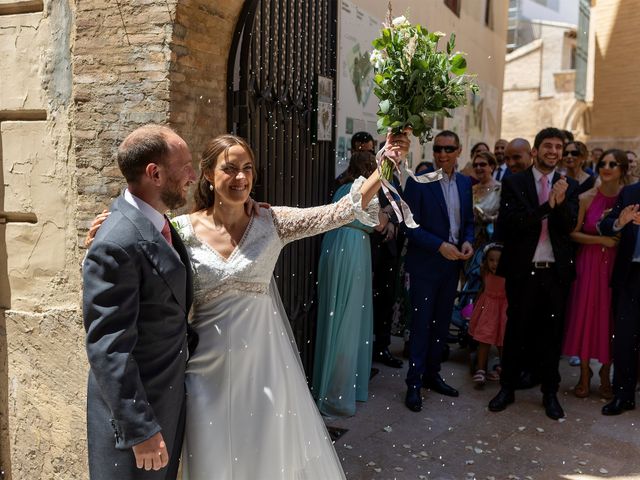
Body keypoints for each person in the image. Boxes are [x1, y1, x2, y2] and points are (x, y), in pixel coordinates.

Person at [83, 125, 197, 479]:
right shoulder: (116, 241)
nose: (192, 176)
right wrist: (140, 429)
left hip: (166, 402)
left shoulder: (159, 224)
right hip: (135, 425)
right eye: (186, 166)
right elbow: (109, 347)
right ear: (155, 173)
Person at [488, 127, 579, 421]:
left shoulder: (570, 186)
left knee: (551, 335)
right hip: (523, 270)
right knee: (516, 331)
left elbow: (568, 227)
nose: (554, 151)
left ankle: (550, 392)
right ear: (536, 150)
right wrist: (547, 206)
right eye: (548, 146)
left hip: (554, 272)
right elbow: (512, 223)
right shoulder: (515, 182)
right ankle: (507, 388)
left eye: (558, 147)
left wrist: (561, 203)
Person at [313, 152, 394, 417]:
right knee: (349, 317)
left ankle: (329, 385)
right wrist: (386, 211)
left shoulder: (342, 188)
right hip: (354, 249)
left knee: (336, 313)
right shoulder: (362, 187)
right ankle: (338, 393)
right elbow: (380, 225)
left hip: (335, 246)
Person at [403, 130, 474, 412]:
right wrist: (439, 246)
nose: (443, 154)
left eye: (449, 149)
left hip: (452, 265)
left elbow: (468, 221)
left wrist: (467, 240)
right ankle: (414, 383)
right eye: (438, 149)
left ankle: (433, 375)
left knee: (441, 324)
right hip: (426, 265)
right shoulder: (419, 183)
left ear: (459, 150)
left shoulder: (466, 183)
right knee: (421, 326)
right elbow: (409, 225)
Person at [563, 149, 628, 399]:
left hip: (616, 264)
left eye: (613, 163)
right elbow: (573, 233)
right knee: (587, 317)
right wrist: (601, 239)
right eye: (603, 163)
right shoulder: (586, 197)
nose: (607, 167)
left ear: (622, 168)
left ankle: (605, 374)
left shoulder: (629, 196)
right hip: (589, 263)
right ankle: (584, 375)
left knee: (609, 319)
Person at [598, 159, 640, 415]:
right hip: (631, 277)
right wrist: (619, 222)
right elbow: (605, 225)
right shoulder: (630, 192)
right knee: (624, 340)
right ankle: (623, 396)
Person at [469, 243, 508, 387]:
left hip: (502, 310)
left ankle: (504, 367)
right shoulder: (484, 272)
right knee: (484, 340)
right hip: (487, 309)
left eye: (498, 261)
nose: (494, 264)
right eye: (491, 260)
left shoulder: (507, 274)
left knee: (501, 341)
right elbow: (482, 289)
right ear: (486, 260)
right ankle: (480, 370)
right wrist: (476, 307)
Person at [471, 151, 501, 248]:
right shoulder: (471, 189)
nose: (478, 168)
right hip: (472, 239)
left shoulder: (501, 189)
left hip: (492, 240)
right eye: (475, 165)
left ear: (491, 167)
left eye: (482, 164)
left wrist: (490, 218)